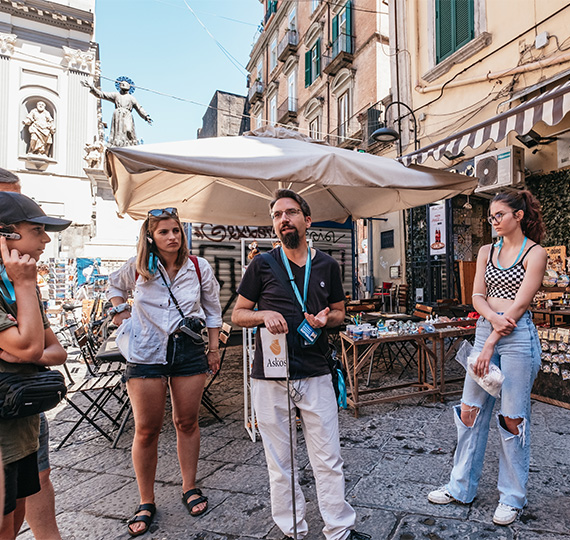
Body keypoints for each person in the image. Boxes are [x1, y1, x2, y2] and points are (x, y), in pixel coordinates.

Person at [232, 189, 370, 540]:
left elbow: (340, 311)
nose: (284, 220)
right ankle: (292, 530)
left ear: (307, 220)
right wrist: (263, 314)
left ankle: (339, 530)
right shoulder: (261, 264)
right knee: (280, 462)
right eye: (277, 215)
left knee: (329, 458)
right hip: (270, 375)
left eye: (290, 212)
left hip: (316, 370)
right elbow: (238, 315)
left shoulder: (327, 264)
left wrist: (328, 319)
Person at [427, 190, 547, 526]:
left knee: (512, 418)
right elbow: (477, 295)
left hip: (517, 336)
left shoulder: (535, 253)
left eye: (499, 215)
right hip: (486, 330)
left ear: (518, 216)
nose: (493, 221)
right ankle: (460, 485)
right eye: (491, 216)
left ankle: (512, 497)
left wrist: (492, 338)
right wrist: (491, 323)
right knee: (469, 411)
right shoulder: (486, 251)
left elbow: (520, 305)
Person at [107, 207, 222, 537]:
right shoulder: (139, 268)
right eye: (164, 232)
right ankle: (146, 500)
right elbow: (113, 286)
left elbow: (213, 311)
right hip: (146, 352)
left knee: (186, 422)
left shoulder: (199, 267)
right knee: (146, 429)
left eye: (176, 231)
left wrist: (213, 349)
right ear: (150, 237)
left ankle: (189, 486)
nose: (172, 237)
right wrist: (121, 314)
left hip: (187, 351)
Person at [0, 192, 70, 539]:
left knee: (15, 518)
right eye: (37, 230)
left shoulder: (19, 284)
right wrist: (25, 283)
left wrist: (29, 352)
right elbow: (31, 344)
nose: (45, 239)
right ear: (6, 235)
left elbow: (54, 351)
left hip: (23, 427)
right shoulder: (22, 283)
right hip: (4, 432)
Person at [81, 78, 152, 147]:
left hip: (127, 115)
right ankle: (118, 144)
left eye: (125, 84)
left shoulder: (131, 98)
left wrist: (146, 116)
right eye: (122, 84)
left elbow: (139, 108)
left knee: (128, 130)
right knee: (118, 132)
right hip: (118, 114)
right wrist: (92, 88)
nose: (123, 85)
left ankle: (130, 144)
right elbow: (102, 94)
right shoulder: (116, 95)